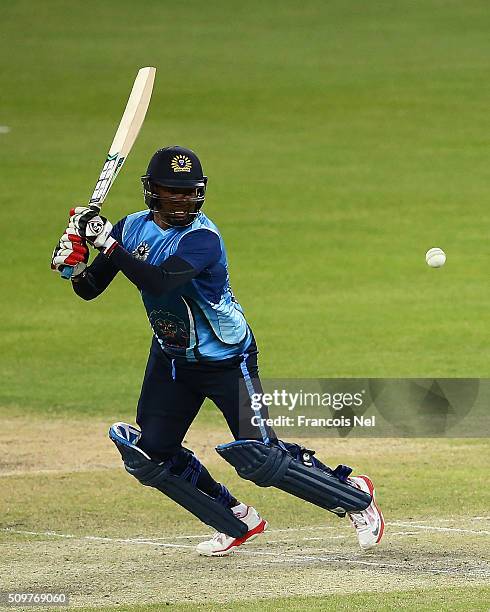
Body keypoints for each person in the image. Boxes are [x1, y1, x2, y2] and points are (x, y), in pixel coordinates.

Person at [51, 145, 384, 556]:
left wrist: (105, 241)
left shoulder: (202, 239)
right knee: (151, 455)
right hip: (173, 358)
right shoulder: (131, 228)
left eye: (190, 192)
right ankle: (235, 518)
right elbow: (90, 289)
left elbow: (160, 282)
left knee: (262, 457)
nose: (182, 201)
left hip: (228, 359)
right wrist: (74, 265)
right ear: (152, 191)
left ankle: (354, 496)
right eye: (173, 192)